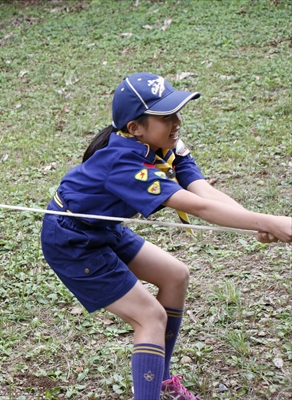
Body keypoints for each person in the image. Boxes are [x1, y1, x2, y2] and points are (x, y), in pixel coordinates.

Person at [40, 72, 292, 400]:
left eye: (176, 112)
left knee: (175, 276)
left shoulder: (163, 144)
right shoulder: (125, 165)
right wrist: (268, 221)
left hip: (101, 229)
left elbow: (203, 191)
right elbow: (198, 207)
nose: (176, 122)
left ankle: (159, 381)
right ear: (135, 128)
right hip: (73, 240)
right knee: (150, 317)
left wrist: (260, 222)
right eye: (165, 117)